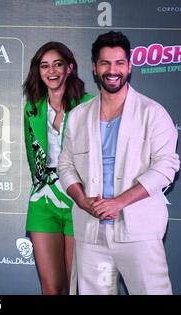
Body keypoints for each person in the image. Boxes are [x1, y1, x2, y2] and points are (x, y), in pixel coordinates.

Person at [58, 31, 179, 295]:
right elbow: (65, 164)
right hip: (91, 233)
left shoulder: (153, 113)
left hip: (139, 232)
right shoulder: (78, 117)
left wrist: (119, 202)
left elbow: (166, 167)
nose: (112, 70)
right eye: (105, 63)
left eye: (119, 63)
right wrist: (82, 201)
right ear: (94, 67)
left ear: (129, 66)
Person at [23, 42, 93, 295]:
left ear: (69, 68)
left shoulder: (89, 105)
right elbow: (33, 158)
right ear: (38, 72)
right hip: (43, 200)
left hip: (78, 198)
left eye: (57, 64)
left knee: (76, 285)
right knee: (51, 287)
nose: (50, 71)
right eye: (44, 66)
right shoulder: (32, 108)